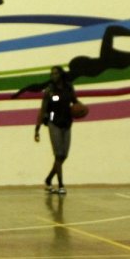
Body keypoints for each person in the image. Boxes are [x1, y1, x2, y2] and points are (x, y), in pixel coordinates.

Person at [13, 25, 130, 97]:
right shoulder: (73, 73)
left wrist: (20, 92)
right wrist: (20, 92)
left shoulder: (72, 74)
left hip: (111, 60)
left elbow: (39, 86)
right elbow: (40, 86)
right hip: (109, 60)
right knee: (111, 31)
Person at [33, 66, 79, 194]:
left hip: (67, 122)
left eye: (55, 73)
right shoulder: (49, 91)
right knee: (58, 155)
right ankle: (61, 185)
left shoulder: (69, 88)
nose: (53, 76)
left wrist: (81, 108)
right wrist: (37, 128)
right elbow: (42, 110)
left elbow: (75, 102)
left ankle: (48, 179)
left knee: (64, 156)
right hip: (53, 122)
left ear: (61, 74)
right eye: (51, 74)